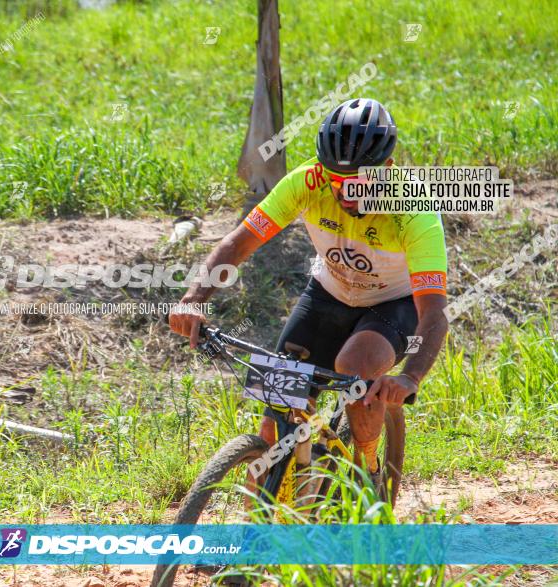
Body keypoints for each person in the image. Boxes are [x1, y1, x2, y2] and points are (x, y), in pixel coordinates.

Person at [169, 98, 449, 478]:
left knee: (355, 366)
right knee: (274, 425)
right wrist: (194, 299)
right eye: (337, 180)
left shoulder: (415, 210)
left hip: (392, 305)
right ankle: (269, 524)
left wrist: (409, 378)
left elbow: (433, 312)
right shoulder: (306, 181)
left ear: (387, 169)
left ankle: (368, 472)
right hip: (328, 294)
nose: (347, 192)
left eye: (360, 182)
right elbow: (238, 243)